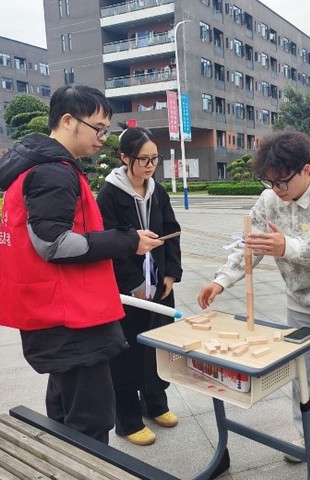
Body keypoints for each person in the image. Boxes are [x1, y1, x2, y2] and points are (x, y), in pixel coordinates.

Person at [197, 129, 310, 480]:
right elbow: (250, 244)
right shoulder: (269, 201)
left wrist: (287, 247)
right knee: (301, 375)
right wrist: (221, 280)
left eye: (282, 181)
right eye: (270, 181)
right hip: (299, 302)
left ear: (305, 170)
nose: (276, 189)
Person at [0, 85, 164, 444]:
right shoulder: (53, 172)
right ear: (68, 120)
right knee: (90, 419)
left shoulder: (40, 166)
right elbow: (54, 243)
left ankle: (64, 464)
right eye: (98, 128)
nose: (103, 138)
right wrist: (127, 240)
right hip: (68, 317)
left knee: (65, 409)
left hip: (56, 312)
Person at [96, 127, 182, 446]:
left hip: (158, 284)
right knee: (126, 354)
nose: (150, 165)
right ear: (124, 158)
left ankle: (155, 404)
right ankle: (128, 419)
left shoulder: (157, 191)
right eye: (143, 159)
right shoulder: (109, 195)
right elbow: (107, 244)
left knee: (158, 347)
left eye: (154, 159)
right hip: (125, 291)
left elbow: (172, 231)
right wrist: (134, 284)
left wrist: (170, 274)